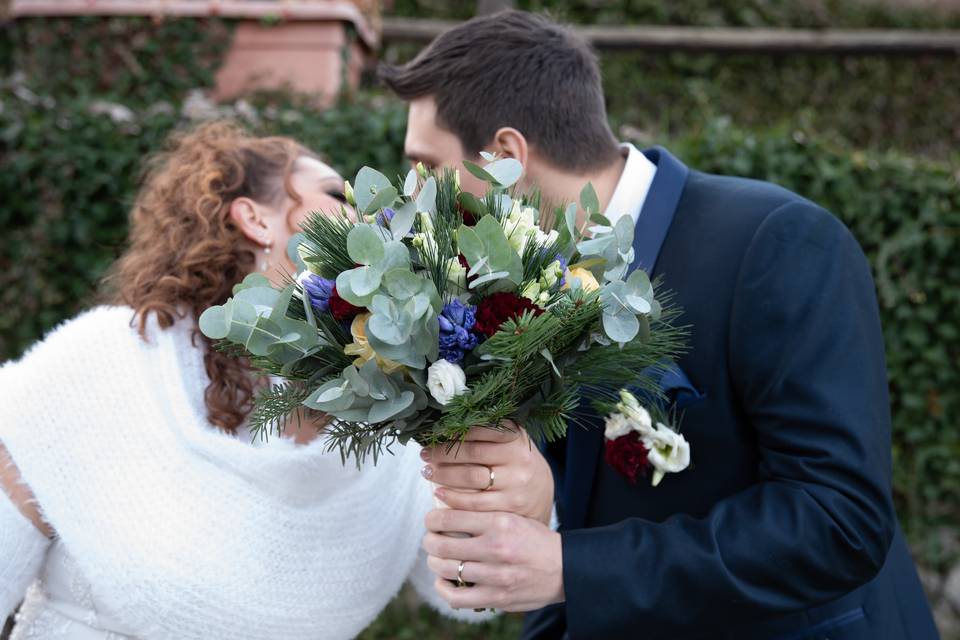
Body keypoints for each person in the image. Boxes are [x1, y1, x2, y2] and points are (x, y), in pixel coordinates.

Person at [380, 10, 939, 640]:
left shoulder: (774, 243)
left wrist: (574, 570)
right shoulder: (502, 284)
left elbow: (839, 520)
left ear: (505, 156)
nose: (416, 196)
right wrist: (542, 499)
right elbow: (588, 490)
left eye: (428, 167)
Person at [0, 121, 552, 638]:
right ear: (255, 218)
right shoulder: (104, 364)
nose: (372, 218)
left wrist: (521, 497)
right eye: (338, 195)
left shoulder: (402, 399)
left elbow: (472, 588)